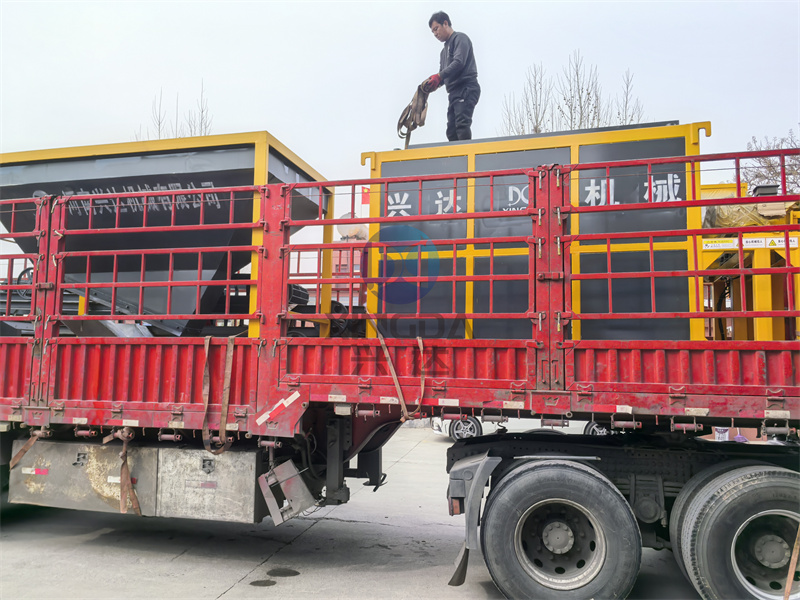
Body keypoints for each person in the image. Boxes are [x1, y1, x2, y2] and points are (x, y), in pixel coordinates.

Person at [422, 11, 480, 142]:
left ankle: (466, 154)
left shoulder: (460, 39)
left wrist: (439, 76)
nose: (435, 34)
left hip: (466, 88)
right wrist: (433, 84)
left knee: (462, 125)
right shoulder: (443, 52)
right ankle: (456, 154)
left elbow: (459, 62)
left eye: (436, 29)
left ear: (445, 23)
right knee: (451, 131)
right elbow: (443, 76)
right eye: (432, 32)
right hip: (453, 93)